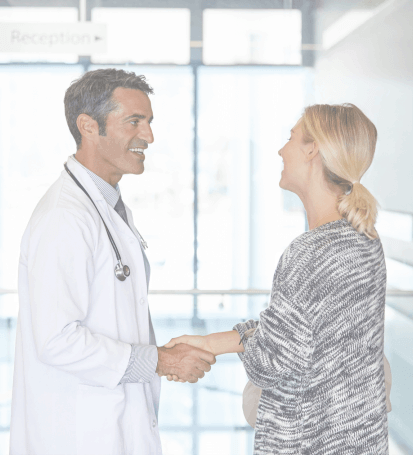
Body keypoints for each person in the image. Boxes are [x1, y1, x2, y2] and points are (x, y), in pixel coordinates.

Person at [9, 68, 216, 455]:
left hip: (108, 424)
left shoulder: (105, 205)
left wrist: (161, 359)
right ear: (88, 126)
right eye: (134, 122)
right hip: (78, 434)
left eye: (149, 122)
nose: (149, 136)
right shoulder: (65, 217)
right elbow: (56, 340)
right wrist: (160, 361)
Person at [165, 103, 389, 454]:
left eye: (291, 138)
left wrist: (206, 349)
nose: (281, 150)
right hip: (359, 440)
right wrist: (210, 343)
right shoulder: (364, 241)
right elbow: (297, 335)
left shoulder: (310, 252)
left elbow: (272, 362)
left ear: (312, 149)